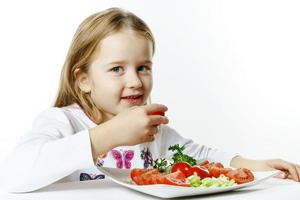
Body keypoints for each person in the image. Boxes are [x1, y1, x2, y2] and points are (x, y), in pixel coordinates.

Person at [1, 7, 299, 193]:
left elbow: (206, 157)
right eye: (117, 69)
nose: (135, 80)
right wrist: (108, 135)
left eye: (143, 67)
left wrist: (261, 165)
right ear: (84, 80)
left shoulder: (153, 131)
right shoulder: (63, 121)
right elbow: (13, 175)